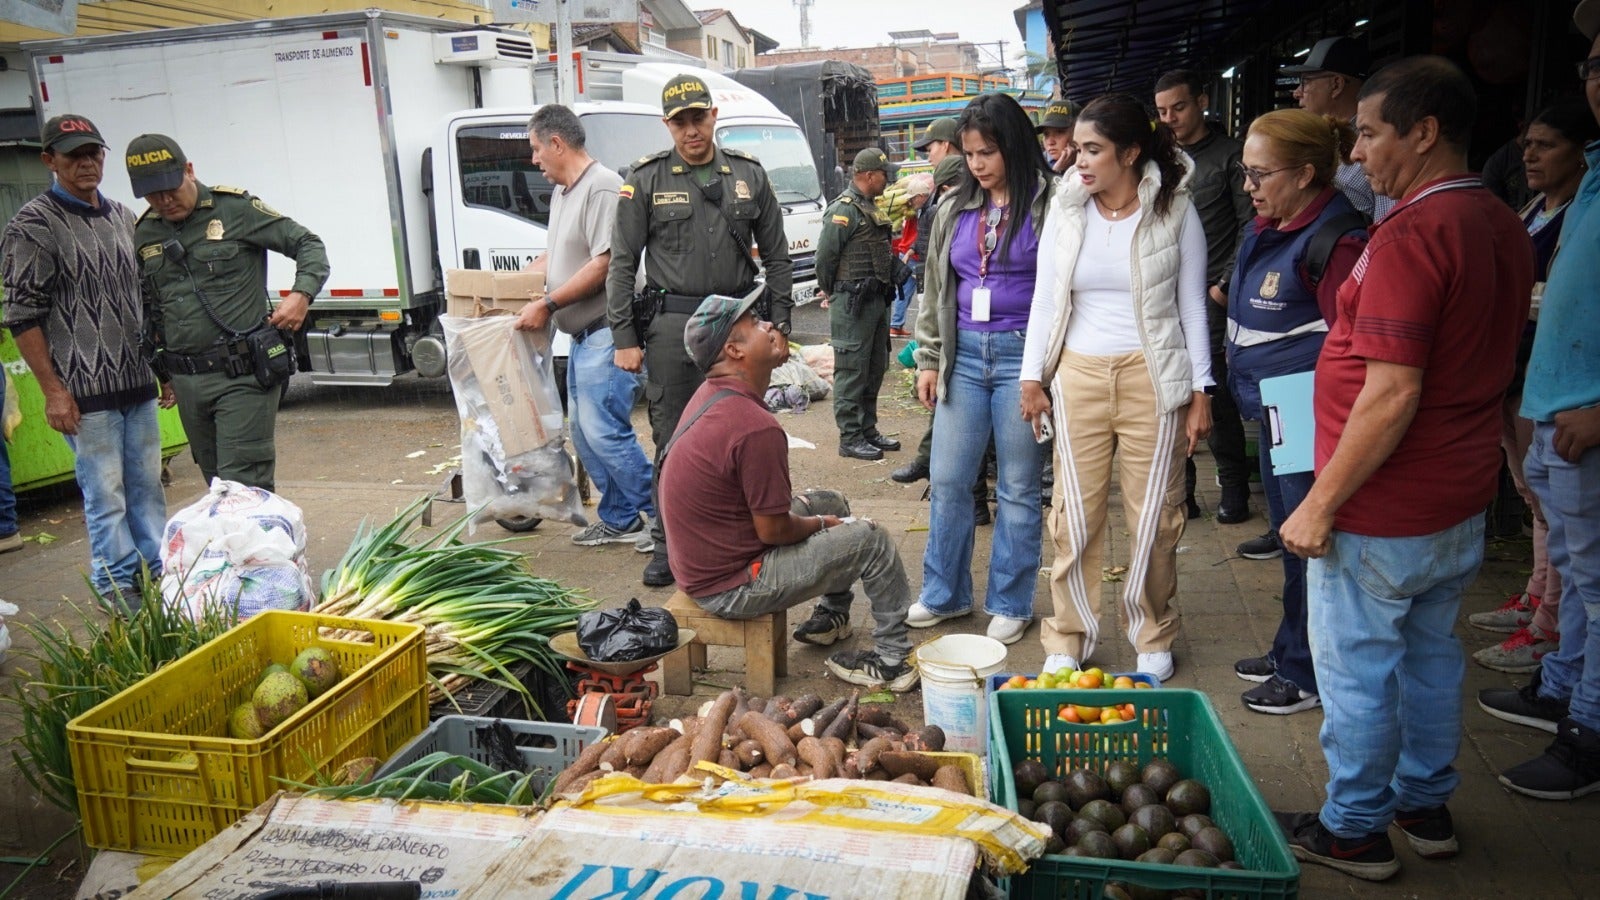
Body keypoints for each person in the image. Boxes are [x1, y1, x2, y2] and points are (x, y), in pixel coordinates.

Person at [1273, 56, 1533, 880]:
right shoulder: (1498, 219)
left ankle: (1352, 827)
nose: (1357, 152)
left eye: (1371, 133)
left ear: (1424, 134)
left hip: (1383, 506)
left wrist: (1321, 504)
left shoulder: (1416, 232)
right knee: (1427, 658)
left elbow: (1391, 392)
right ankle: (1424, 802)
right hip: (1454, 498)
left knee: (1358, 672)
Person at [1020, 93, 1214, 683]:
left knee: (1156, 516)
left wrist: (1202, 389)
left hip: (1152, 378)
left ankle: (1150, 629)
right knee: (1073, 517)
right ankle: (1070, 633)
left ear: (1130, 152)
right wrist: (1033, 376)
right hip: (1077, 373)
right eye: (1077, 148)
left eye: (1093, 149)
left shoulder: (1175, 210)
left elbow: (1191, 306)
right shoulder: (1065, 207)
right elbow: (1047, 298)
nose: (1078, 160)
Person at [659, 289, 917, 691]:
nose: (770, 326)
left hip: (710, 559)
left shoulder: (715, 394)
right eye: (756, 324)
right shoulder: (753, 425)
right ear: (734, 350)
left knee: (833, 499)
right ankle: (893, 661)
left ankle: (832, 616)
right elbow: (774, 532)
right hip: (732, 586)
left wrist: (822, 517)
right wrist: (820, 524)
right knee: (871, 539)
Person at [606, 72, 794, 588]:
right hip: (672, 325)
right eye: (680, 122)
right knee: (673, 437)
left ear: (713, 116)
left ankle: (739, 535)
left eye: (699, 118)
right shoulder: (644, 180)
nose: (692, 130)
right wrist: (624, 337)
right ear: (668, 125)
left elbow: (777, 257)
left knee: (741, 433)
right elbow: (622, 263)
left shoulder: (749, 176)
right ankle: (670, 545)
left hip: (737, 325)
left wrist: (779, 325)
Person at [1481, 3, 1600, 800]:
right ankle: (1565, 692)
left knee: (1593, 576)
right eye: (1592, 58)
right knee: (1572, 562)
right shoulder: (1593, 175)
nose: (1595, 72)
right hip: (1556, 403)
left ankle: (1588, 732)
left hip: (1584, 411)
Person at [1224, 109, 1367, 715]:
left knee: (1306, 543)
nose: (1250, 187)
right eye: (1245, 173)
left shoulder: (1337, 239)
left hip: (1307, 412)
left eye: (1261, 174)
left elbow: (1354, 342)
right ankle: (1291, 651)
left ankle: (1306, 673)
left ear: (1306, 173)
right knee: (1289, 540)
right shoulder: (1274, 224)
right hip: (1276, 407)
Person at [1, 115, 167, 606]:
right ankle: (118, 588)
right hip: (84, 395)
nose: (87, 163)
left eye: (94, 152)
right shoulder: (32, 225)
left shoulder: (121, 215)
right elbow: (21, 316)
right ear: (49, 160)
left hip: (136, 385)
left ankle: (158, 575)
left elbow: (143, 298)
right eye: (74, 155)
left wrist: (161, 371)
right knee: (106, 496)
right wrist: (54, 392)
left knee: (147, 488)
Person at [910, 92, 1056, 647]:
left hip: (1026, 359)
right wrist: (928, 358)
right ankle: (943, 595)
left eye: (988, 151)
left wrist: (1044, 372)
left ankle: (1011, 601)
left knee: (1018, 487)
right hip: (964, 355)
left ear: (1014, 147)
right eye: (970, 152)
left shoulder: (1052, 204)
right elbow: (934, 289)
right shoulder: (954, 207)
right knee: (948, 479)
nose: (977, 163)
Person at [1469, 97, 1597, 673]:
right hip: (1520, 367)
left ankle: (1550, 624)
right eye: (1527, 145)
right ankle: (1537, 597)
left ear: (1581, 153)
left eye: (1545, 145)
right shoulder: (1534, 209)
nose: (1531, 156)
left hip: (1548, 377)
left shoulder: (1580, 212)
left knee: (1551, 508)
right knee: (1529, 491)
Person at [128, 134, 328, 493]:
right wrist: (163, 372)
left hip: (242, 374)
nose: (164, 200)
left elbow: (307, 243)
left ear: (189, 170)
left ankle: (261, 549)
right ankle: (248, 547)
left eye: (170, 188)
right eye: (152, 194)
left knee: (242, 483)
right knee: (216, 482)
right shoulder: (145, 232)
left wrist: (301, 294)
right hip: (187, 380)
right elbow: (154, 308)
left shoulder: (235, 210)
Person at [513, 104, 655, 549]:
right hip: (581, 336)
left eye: (536, 149)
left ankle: (665, 518)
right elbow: (557, 256)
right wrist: (515, 280)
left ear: (557, 143)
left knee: (604, 432)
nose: (534, 159)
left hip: (609, 330)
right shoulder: (563, 192)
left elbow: (607, 263)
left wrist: (549, 302)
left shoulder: (603, 188)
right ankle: (620, 518)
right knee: (584, 434)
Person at [1155, 69, 1255, 525]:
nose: (1170, 117)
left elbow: (1252, 224)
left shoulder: (1231, 157)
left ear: (1202, 100)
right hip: (1165, 296)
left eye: (1178, 107)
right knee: (1172, 395)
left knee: (1216, 396)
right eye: (1162, 111)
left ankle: (1234, 488)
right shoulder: (1159, 160)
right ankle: (1185, 492)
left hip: (1212, 298)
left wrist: (1224, 284)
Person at [817, 147, 899, 462]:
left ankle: (868, 428)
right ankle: (850, 437)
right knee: (852, 369)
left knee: (876, 366)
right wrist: (832, 291)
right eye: (882, 173)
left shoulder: (870, 207)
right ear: (867, 175)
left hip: (876, 300)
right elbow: (825, 257)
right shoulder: (845, 209)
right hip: (852, 302)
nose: (886, 178)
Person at [1284, 36, 1396, 222]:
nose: (1297, 93)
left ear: (1336, 85)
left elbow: (1385, 225)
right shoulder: (1316, 139)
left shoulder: (1381, 145)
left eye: (1305, 82)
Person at [888, 172, 933, 337]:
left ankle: (896, 324)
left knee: (905, 293)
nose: (912, 201)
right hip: (915, 258)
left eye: (913, 198)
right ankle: (920, 329)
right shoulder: (917, 211)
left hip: (907, 254)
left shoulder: (913, 210)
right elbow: (923, 237)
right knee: (922, 295)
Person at [1037, 100, 1079, 173]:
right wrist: (1056, 171)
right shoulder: (1036, 166)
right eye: (1046, 134)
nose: (1050, 142)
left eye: (1060, 132)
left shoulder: (1090, 165)